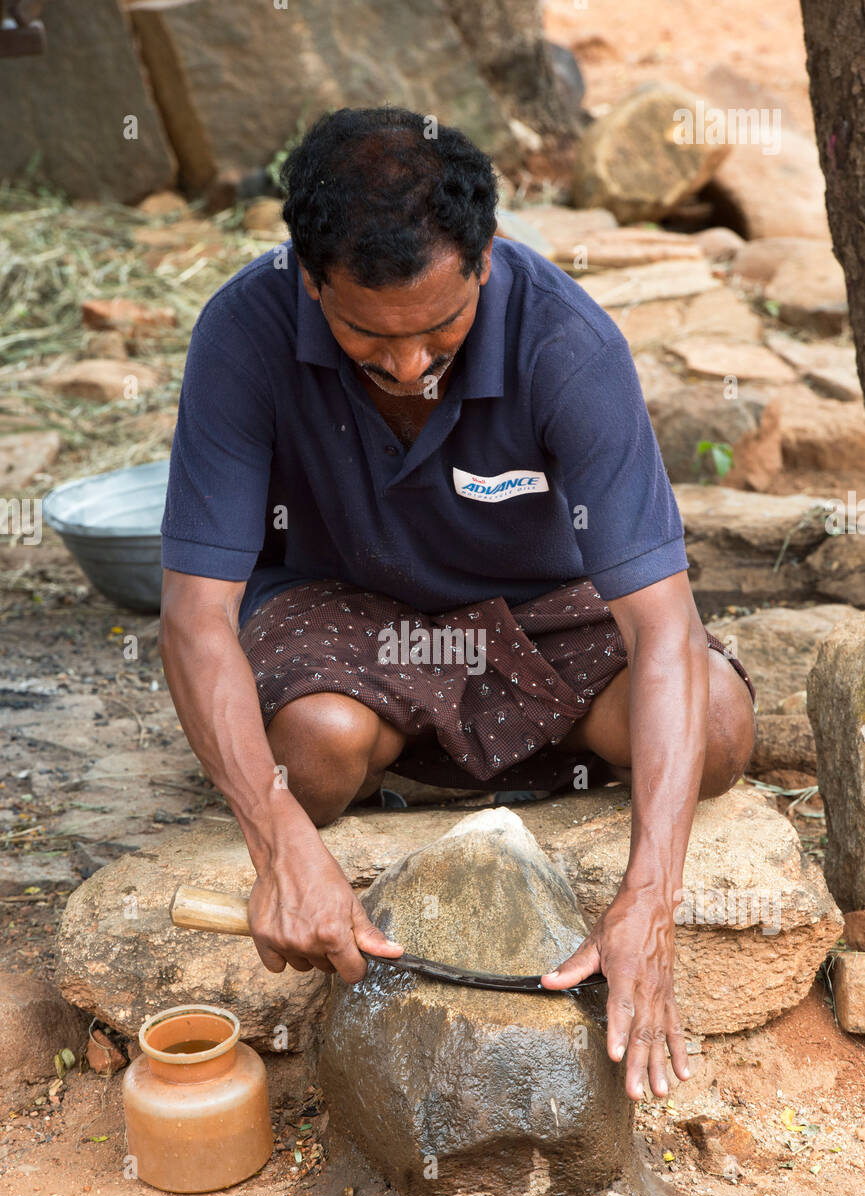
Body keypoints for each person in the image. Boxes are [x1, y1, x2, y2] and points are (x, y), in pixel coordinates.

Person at [160, 106, 756, 1103]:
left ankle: (434, 765)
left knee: (722, 728)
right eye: (363, 333)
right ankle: (403, 760)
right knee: (309, 753)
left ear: (487, 259)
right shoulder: (242, 330)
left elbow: (660, 627)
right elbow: (193, 619)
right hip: (344, 609)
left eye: (439, 328)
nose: (406, 365)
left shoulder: (569, 343)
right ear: (308, 278)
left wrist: (648, 896)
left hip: (537, 610)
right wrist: (279, 843)